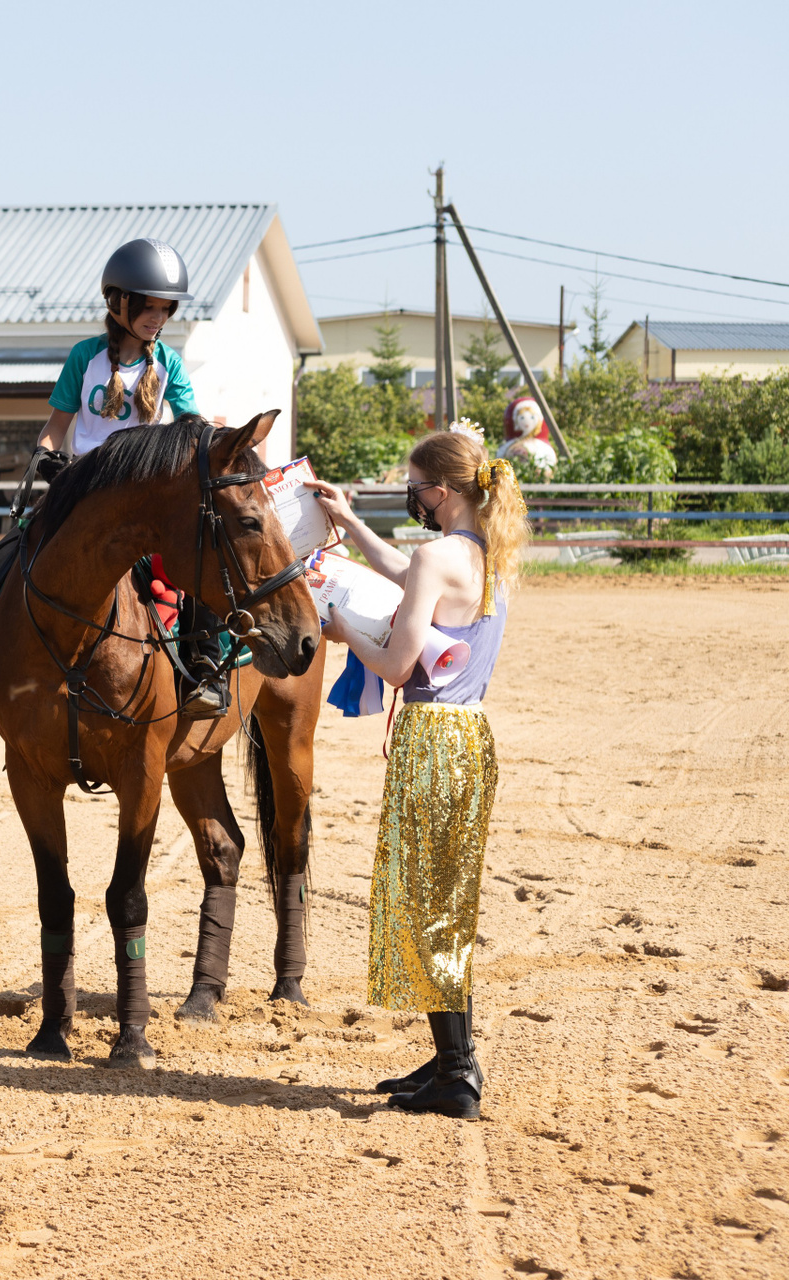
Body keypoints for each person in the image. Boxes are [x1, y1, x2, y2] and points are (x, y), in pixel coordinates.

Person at [304, 426, 529, 1120]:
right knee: (444, 899)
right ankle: (450, 1057)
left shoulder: (438, 555)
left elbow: (398, 666)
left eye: (415, 487)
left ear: (441, 490)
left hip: (431, 739)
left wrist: (342, 626)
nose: (413, 497)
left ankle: (457, 1074)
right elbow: (408, 574)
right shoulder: (489, 554)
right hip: (471, 735)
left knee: (428, 903)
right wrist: (351, 524)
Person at [0, 237, 209, 727]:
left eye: (166, 308)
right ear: (119, 303)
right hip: (82, 491)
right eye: (149, 306)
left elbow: (190, 424)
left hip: (144, 497)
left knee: (202, 559)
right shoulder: (84, 357)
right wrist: (45, 457)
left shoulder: (170, 363)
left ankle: (202, 672)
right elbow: (57, 426)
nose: (158, 317)